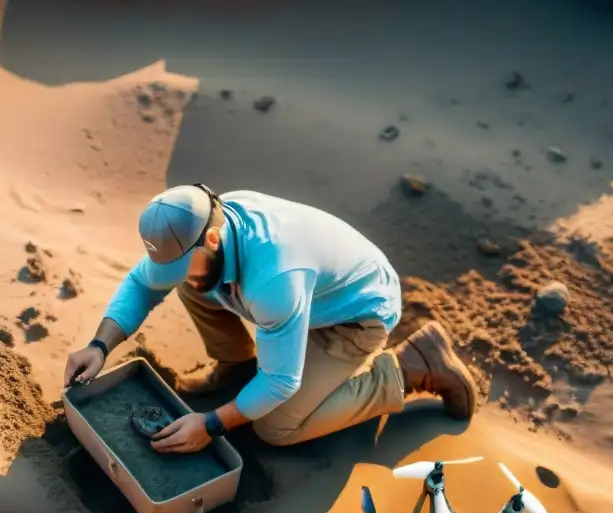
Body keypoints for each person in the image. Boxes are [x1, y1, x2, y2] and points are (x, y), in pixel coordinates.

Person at [63, 184, 479, 454]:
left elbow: (282, 382)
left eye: (181, 263)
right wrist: (99, 346)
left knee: (275, 428)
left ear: (211, 239)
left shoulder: (273, 280)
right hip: (304, 294)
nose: (171, 274)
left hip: (355, 315)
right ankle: (238, 367)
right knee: (195, 282)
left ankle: (410, 368)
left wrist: (210, 424)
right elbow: (143, 283)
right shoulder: (204, 226)